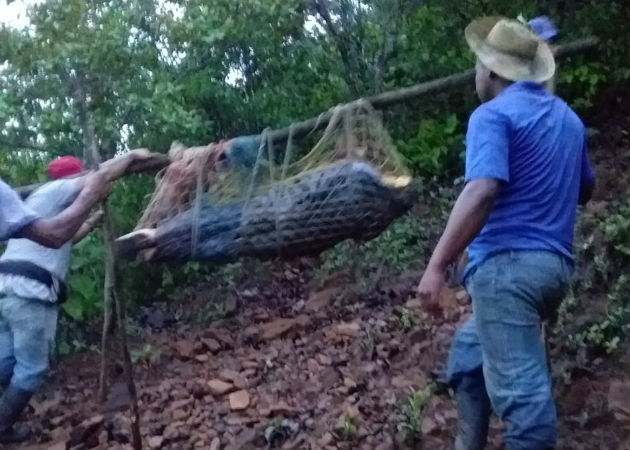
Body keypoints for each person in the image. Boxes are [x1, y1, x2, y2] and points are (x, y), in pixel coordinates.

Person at [416, 16, 595, 450]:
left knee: (527, 410)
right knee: (468, 351)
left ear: (491, 71)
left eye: (479, 65)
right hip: (553, 270)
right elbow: (586, 188)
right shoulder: (569, 120)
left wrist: (437, 266)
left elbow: (483, 189)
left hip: (507, 273)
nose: (477, 73)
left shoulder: (490, 116)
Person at [0, 149, 151, 443]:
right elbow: (101, 175)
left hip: (7, 288)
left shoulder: (40, 200)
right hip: (31, 291)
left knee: (5, 361)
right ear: (74, 176)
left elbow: (62, 238)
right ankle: (2, 426)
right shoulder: (64, 187)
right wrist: (132, 156)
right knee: (32, 369)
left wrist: (90, 221)